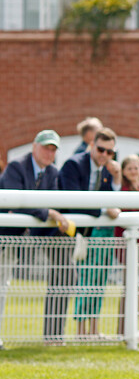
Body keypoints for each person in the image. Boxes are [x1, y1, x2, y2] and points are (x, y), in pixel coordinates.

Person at [0, 130, 72, 348]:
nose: (49, 153)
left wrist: (47, 211)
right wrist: (47, 212)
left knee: (3, 285)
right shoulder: (16, 167)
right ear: (34, 146)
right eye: (46, 147)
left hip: (17, 240)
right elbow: (17, 200)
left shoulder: (52, 173)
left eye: (53, 149)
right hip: (4, 235)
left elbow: (51, 203)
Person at [59, 127, 122, 340]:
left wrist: (116, 178)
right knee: (84, 281)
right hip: (76, 235)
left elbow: (114, 199)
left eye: (110, 152)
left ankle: (94, 330)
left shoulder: (108, 170)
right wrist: (104, 210)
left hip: (100, 235)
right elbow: (73, 200)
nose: (105, 155)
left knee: (99, 281)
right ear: (92, 146)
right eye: (101, 150)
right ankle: (80, 332)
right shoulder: (74, 164)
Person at [115, 155, 139, 337]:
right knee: (129, 287)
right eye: (130, 168)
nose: (134, 171)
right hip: (126, 245)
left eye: (137, 168)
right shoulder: (123, 190)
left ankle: (132, 326)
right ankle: (123, 329)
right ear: (124, 171)